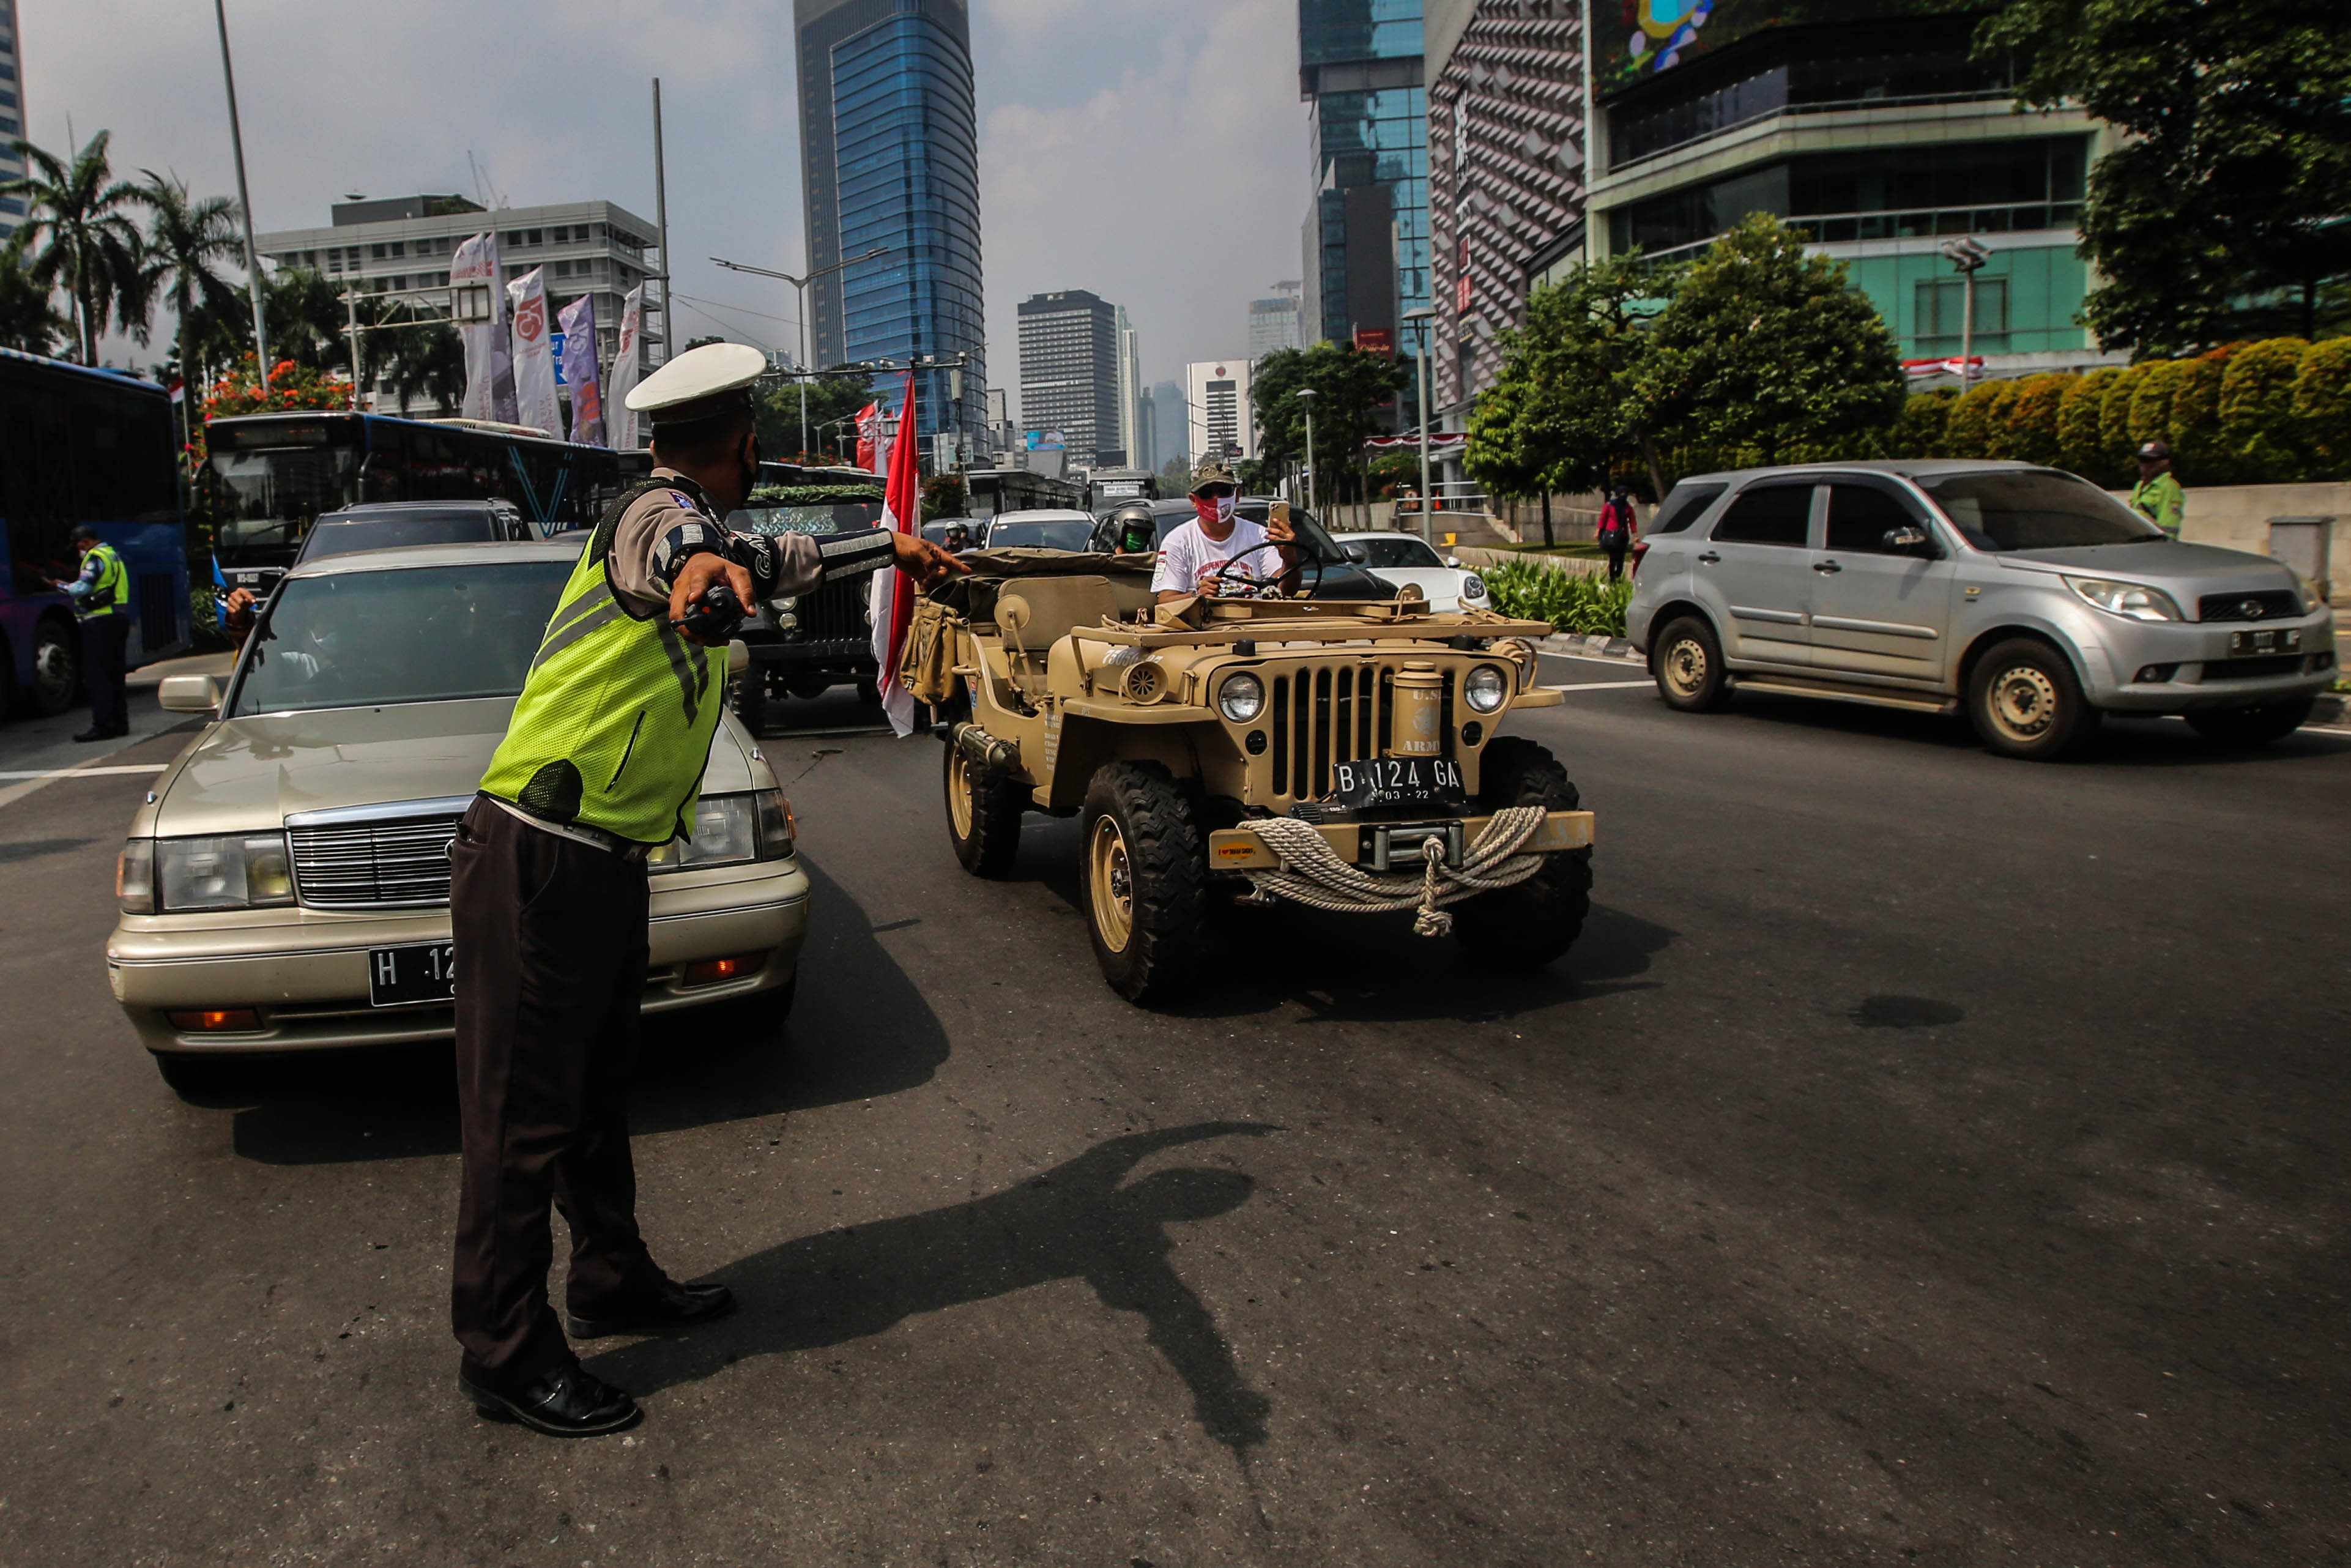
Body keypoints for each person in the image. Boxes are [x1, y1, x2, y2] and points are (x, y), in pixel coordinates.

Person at [447, 342, 965, 1439]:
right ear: (744, 442)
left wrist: (891, 544)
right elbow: (677, 553)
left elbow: (773, 558)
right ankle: (501, 1350)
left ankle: (609, 1274)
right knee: (518, 1119)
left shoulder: (710, 529)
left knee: (591, 1093)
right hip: (540, 855)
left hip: (597, 860)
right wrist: (695, 573)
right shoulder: (657, 516)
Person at [1152, 459, 1298, 604]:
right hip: (1205, 618)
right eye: (1206, 493)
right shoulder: (1177, 541)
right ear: (1193, 500)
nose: (1216, 499)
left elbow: (1285, 591)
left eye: (1224, 491)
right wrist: (1197, 595)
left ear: (1237, 494)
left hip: (1255, 617)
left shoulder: (1260, 535)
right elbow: (1165, 601)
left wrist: (1290, 559)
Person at [53, 526, 130, 742]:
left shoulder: (95, 557)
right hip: (118, 618)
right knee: (115, 675)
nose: (79, 550)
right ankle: (120, 723)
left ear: (86, 541)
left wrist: (60, 586)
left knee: (98, 676)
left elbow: (82, 589)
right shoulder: (112, 555)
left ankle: (103, 726)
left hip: (99, 621)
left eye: (79, 545)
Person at [2130, 439, 2185, 539]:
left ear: (2164, 462)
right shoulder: (2139, 485)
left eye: (2150, 460)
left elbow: (2169, 531)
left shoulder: (2169, 487)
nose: (2145, 464)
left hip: (2154, 544)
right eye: (2142, 460)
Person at [1595, 487, 1637, 582]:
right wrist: (1598, 531)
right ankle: (1612, 577)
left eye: (1625, 493)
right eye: (1622, 493)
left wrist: (1635, 535)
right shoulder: (1609, 506)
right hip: (1612, 535)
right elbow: (1603, 519)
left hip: (1623, 536)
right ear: (1618, 493)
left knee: (1621, 557)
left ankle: (1618, 575)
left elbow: (1632, 522)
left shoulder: (1628, 507)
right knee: (1613, 557)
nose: (1623, 495)